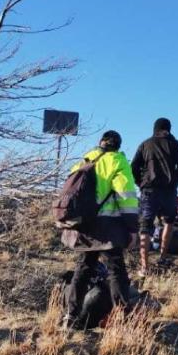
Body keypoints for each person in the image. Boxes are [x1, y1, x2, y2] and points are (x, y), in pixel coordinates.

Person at [61, 130, 139, 329]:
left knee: (84, 267)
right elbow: (126, 197)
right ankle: (122, 317)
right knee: (116, 270)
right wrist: (132, 228)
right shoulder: (118, 162)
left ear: (100, 143)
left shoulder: (84, 161)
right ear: (118, 146)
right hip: (108, 226)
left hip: (85, 225)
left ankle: (70, 315)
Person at [131, 117, 178, 277]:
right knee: (169, 221)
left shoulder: (146, 144)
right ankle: (162, 257)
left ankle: (144, 266)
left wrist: (140, 183)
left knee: (145, 226)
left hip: (149, 190)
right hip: (169, 191)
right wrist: (175, 183)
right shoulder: (175, 144)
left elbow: (134, 166)